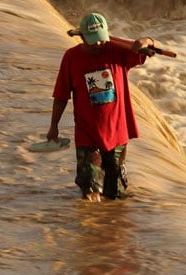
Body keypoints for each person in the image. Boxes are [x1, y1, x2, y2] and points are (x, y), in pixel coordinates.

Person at [47, 12, 156, 202]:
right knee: (89, 188)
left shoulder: (118, 52)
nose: (98, 44)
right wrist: (53, 126)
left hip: (116, 132)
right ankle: (91, 228)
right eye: (92, 40)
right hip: (87, 132)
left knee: (115, 193)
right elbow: (61, 95)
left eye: (100, 40)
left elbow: (148, 47)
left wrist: (146, 41)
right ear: (81, 37)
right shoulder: (72, 58)